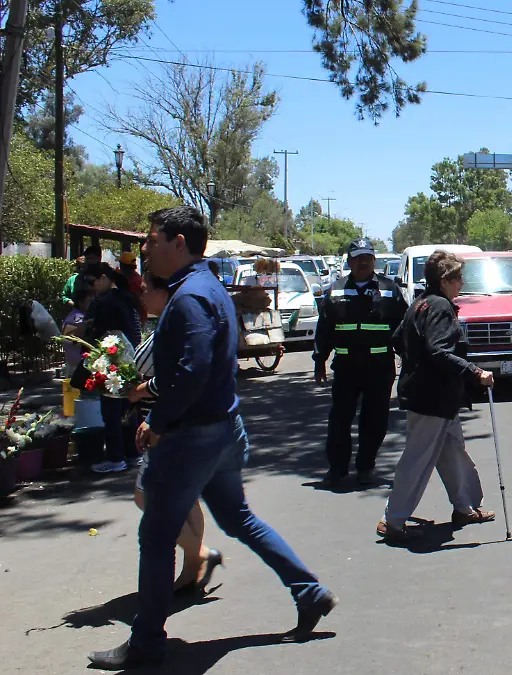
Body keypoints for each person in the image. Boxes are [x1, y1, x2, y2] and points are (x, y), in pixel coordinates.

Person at [88, 206, 336, 671]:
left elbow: (192, 370)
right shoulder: (210, 289)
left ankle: (145, 642)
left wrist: (157, 421)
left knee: (157, 535)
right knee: (239, 519)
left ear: (178, 242)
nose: (144, 249)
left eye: (151, 240)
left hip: (192, 437)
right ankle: (309, 591)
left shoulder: (190, 297)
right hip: (222, 429)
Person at [377, 251, 495, 541]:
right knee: (417, 458)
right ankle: (392, 520)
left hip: (436, 397)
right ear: (444, 280)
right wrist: (473, 372)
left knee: (453, 451)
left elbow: (396, 339)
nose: (461, 284)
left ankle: (464, 507)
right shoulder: (441, 306)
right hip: (432, 399)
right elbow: (438, 350)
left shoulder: (419, 303)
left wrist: (415, 361)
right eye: (457, 278)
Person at [127, 274, 221, 595]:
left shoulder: (174, 327)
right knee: (187, 500)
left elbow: (175, 378)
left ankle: (200, 555)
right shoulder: (163, 326)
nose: (141, 294)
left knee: (146, 497)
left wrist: (139, 391)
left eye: (146, 289)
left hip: (167, 426)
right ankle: (193, 567)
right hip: (170, 424)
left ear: (163, 293)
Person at [313, 238, 407, 488]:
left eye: (367, 257)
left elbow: (403, 328)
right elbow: (324, 329)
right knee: (340, 420)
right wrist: (319, 360)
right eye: (357, 257)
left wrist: (409, 359)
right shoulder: (336, 290)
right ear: (349, 261)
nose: (363, 261)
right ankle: (337, 469)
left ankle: (366, 466)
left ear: (374, 260)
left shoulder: (390, 289)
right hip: (346, 367)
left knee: (374, 421)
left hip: (379, 367)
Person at [85, 265, 143, 474]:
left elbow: (97, 333)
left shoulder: (105, 302)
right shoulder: (126, 298)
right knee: (129, 407)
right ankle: (133, 453)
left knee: (111, 411)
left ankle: (116, 457)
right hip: (130, 359)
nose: (92, 289)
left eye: (92, 283)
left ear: (102, 278)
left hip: (112, 360)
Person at [61, 276, 95, 378]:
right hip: (76, 370)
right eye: (89, 301)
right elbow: (67, 337)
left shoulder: (82, 316)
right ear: (80, 302)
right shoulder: (75, 318)